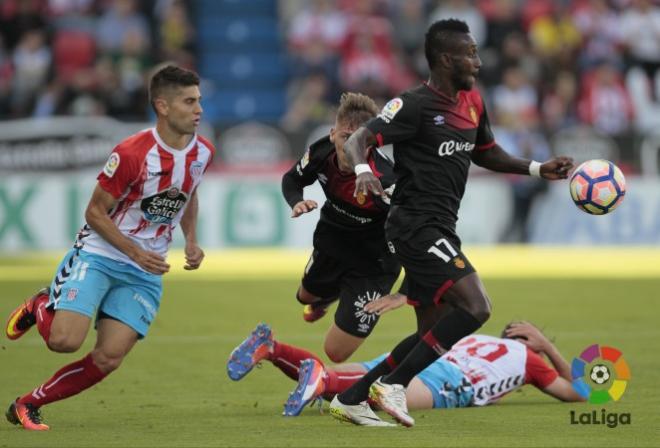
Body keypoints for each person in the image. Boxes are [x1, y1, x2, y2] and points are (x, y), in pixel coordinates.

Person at [329, 19, 574, 427]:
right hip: (413, 225)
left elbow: (487, 153)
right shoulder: (413, 105)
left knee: (434, 331)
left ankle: (352, 398)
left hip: (440, 225)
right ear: (446, 59)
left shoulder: (474, 103)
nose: (478, 61)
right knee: (477, 307)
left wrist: (536, 168)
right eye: (471, 53)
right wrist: (362, 172)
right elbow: (359, 140)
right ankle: (392, 385)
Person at [4, 65, 215, 431]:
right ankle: (42, 303)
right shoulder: (132, 153)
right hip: (102, 254)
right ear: (162, 106)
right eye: (189, 101)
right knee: (64, 342)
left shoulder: (204, 152)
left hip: (146, 269)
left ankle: (27, 404)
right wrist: (134, 251)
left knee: (109, 357)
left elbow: (188, 194)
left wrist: (191, 240)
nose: (199, 109)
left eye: (199, 101)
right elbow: (94, 212)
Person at [226, 92, 400, 382]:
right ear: (333, 134)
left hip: (374, 264)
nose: (351, 146)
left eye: (361, 139)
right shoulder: (321, 153)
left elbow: (409, 230)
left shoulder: (385, 180)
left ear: (372, 142)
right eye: (347, 137)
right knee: (304, 297)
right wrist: (297, 201)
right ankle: (330, 295)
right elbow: (291, 180)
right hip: (333, 242)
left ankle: (345, 295)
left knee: (336, 352)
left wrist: (408, 287)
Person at [229, 321, 584, 422]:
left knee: (335, 378)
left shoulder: (479, 337)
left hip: (416, 356)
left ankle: (273, 349)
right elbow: (579, 392)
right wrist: (548, 347)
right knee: (362, 393)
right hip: (444, 382)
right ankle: (322, 381)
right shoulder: (528, 359)